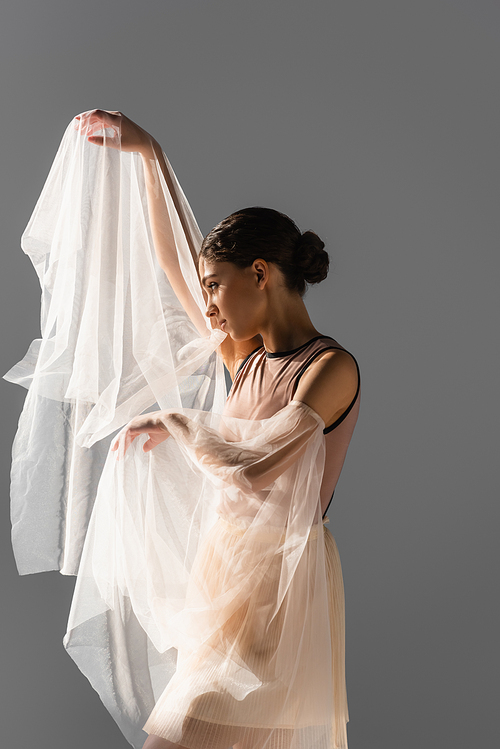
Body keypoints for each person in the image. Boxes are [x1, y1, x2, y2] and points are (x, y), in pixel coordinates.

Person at [10, 110, 361, 749]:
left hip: (279, 591)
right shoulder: (244, 356)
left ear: (260, 274)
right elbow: (174, 252)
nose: (206, 306)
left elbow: (257, 465)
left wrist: (175, 418)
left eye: (216, 287)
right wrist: (150, 156)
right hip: (223, 579)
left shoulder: (331, 367)